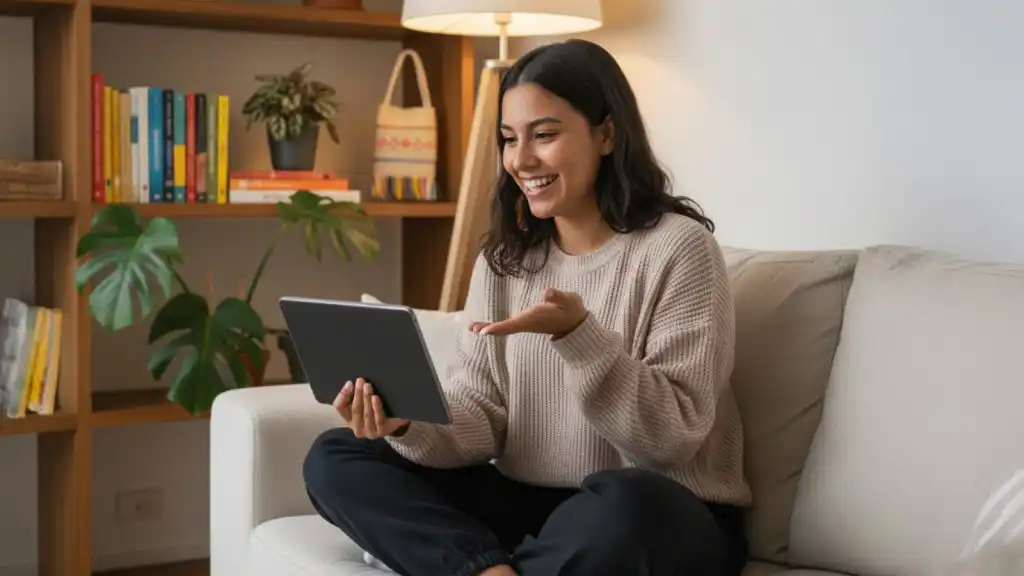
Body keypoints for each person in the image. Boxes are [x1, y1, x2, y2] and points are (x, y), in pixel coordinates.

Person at [303, 38, 751, 576]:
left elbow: (671, 441)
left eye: (545, 134)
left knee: (630, 501)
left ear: (606, 134)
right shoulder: (504, 261)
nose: (521, 159)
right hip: (531, 508)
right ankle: (489, 571)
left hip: (663, 513)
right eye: (509, 139)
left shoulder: (680, 249)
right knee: (337, 456)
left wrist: (580, 338)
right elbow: (481, 417)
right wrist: (404, 425)